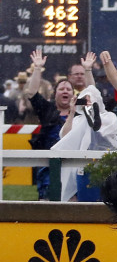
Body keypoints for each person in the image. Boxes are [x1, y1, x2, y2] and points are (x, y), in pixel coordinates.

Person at [52, 85, 117, 202]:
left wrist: (94, 115)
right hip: (84, 166)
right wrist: (72, 112)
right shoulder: (78, 120)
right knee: (86, 200)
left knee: (108, 201)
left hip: (106, 165)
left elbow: (107, 132)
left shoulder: (109, 116)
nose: (87, 102)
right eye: (84, 100)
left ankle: (93, 119)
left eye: (90, 99)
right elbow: (64, 136)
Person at [25, 50, 74, 200]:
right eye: (61, 89)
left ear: (73, 94)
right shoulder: (47, 110)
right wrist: (38, 68)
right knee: (47, 201)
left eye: (68, 89)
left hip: (72, 164)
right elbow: (32, 93)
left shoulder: (80, 113)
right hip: (47, 165)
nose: (65, 91)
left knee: (72, 202)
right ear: (55, 93)